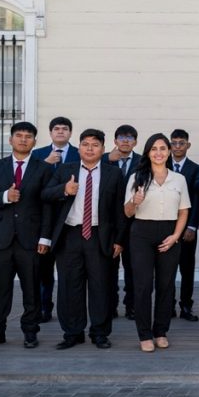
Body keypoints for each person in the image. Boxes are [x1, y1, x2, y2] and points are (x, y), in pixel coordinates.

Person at [39, 128, 125, 350]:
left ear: (103, 149)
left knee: (101, 286)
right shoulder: (65, 170)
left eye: (95, 145)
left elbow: (119, 211)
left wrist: (119, 240)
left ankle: (99, 333)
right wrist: (64, 189)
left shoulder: (113, 173)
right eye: (85, 144)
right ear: (79, 148)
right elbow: (45, 195)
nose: (89, 148)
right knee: (70, 286)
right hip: (69, 236)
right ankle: (72, 332)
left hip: (99, 236)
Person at [0, 121, 52, 350]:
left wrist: (45, 238)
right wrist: (5, 197)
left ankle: (30, 332)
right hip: (1, 240)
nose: (23, 139)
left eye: (29, 136)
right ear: (10, 140)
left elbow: (48, 206)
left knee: (32, 290)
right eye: (19, 135)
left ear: (35, 142)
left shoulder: (44, 169)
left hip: (31, 240)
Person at [124, 134, 191, 353]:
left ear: (169, 151)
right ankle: (144, 334)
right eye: (154, 149)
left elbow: (183, 211)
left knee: (166, 285)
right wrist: (135, 202)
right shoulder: (137, 177)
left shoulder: (178, 179)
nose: (159, 152)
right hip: (142, 232)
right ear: (148, 153)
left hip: (170, 233)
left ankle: (160, 331)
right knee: (143, 286)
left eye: (163, 148)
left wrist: (176, 236)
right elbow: (127, 212)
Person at [30, 115, 78, 323]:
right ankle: (44, 308)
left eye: (64, 128)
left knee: (69, 268)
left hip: (71, 217)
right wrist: (45, 164)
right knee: (43, 268)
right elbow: (31, 184)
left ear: (70, 132)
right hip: (44, 218)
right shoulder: (38, 154)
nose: (60, 131)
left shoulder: (80, 153)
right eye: (56, 128)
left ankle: (69, 310)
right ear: (50, 133)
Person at [105, 124, 140, 320]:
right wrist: (106, 159)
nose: (125, 141)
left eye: (129, 138)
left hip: (134, 221)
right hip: (110, 222)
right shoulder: (105, 160)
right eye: (121, 137)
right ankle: (110, 305)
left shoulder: (143, 161)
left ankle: (131, 306)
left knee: (133, 267)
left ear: (135, 141)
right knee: (109, 267)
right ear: (115, 141)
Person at [169, 129, 199, 322]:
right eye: (174, 143)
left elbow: (198, 200)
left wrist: (193, 226)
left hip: (187, 226)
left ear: (188, 145)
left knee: (187, 267)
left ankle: (186, 306)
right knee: (166, 268)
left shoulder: (195, 168)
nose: (178, 147)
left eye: (182, 143)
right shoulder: (161, 164)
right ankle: (168, 305)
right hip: (165, 224)